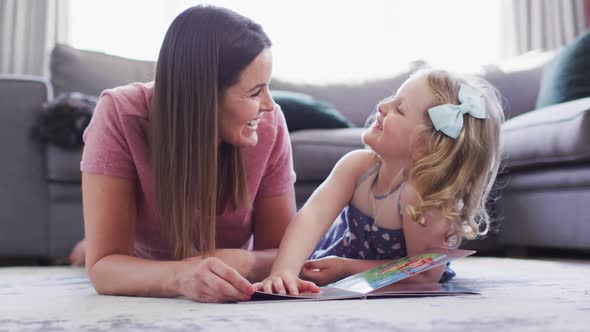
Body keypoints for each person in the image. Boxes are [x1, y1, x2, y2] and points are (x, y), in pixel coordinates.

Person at [78, 5, 297, 303]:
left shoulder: (270, 125)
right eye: (255, 92)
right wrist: (182, 276)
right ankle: (83, 246)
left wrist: (245, 262)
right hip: (144, 262)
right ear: (205, 95)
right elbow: (104, 267)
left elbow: (284, 255)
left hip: (227, 259)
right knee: (89, 253)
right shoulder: (119, 112)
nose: (270, 105)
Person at [255, 68, 504, 295]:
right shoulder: (357, 167)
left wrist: (346, 269)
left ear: (428, 145)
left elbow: (425, 274)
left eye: (400, 109)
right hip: (328, 255)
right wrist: (284, 271)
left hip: (358, 270)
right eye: (392, 98)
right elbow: (312, 216)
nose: (383, 105)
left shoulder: (423, 198)